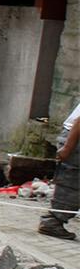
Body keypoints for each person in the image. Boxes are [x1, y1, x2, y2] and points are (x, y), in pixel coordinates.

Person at [39, 100, 80, 240]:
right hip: (75, 139)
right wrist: (68, 148)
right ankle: (52, 222)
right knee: (73, 184)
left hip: (73, 137)